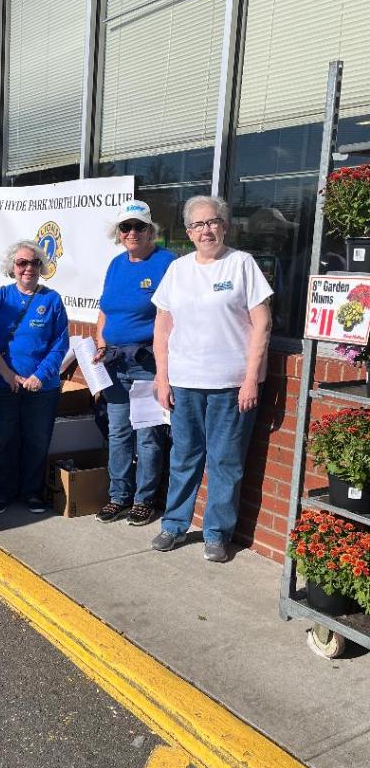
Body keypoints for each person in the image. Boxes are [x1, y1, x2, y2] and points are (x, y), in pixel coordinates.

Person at [151, 195, 273, 563]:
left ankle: (217, 533)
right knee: (184, 457)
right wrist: (163, 377)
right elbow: (162, 328)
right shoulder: (178, 269)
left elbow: (262, 324)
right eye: (198, 224)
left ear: (225, 225)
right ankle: (174, 525)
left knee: (225, 461)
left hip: (230, 384)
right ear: (188, 232)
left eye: (213, 222)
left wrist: (251, 379)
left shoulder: (242, 264)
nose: (207, 230)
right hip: (185, 382)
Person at [92, 201, 175, 526]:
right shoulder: (116, 264)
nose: (132, 233)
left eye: (139, 227)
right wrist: (101, 341)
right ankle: (118, 496)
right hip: (113, 362)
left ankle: (145, 499)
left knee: (149, 434)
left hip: (146, 362)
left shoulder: (167, 262)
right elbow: (105, 310)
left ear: (150, 230)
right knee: (118, 432)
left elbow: (174, 315)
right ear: (119, 233)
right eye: (125, 228)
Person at [0, 240, 69, 514]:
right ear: (12, 268)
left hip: (42, 387)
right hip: (5, 384)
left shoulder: (51, 300)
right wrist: (8, 375)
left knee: (37, 440)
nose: (28, 268)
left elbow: (60, 344)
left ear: (41, 267)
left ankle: (31, 492)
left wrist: (40, 376)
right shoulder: (0, 298)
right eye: (22, 263)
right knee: (3, 439)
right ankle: (2, 492)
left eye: (34, 263)